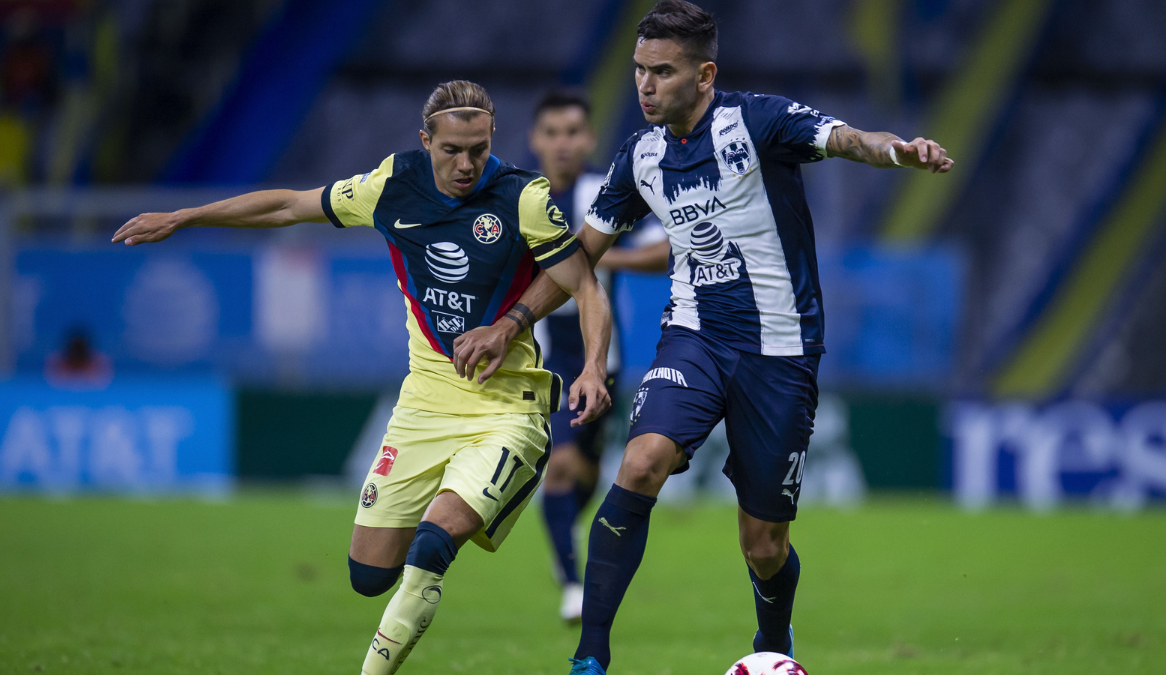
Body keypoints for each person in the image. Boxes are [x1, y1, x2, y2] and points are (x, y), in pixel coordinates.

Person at [452, 2, 955, 673]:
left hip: (780, 351)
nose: (645, 84)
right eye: (639, 69)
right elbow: (580, 258)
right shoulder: (641, 156)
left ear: (705, 74)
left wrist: (899, 151)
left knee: (763, 544)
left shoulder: (760, 122)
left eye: (662, 71)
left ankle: (773, 643)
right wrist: (510, 322)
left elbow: (850, 139)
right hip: (694, 336)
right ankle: (589, 656)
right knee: (640, 462)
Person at [111, 80, 614, 675]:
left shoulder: (523, 197)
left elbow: (586, 286)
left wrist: (589, 365)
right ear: (425, 140)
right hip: (423, 404)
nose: (466, 164)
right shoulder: (390, 185)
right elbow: (288, 205)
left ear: (493, 138)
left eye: (478, 149)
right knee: (369, 574)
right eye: (451, 150)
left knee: (432, 546)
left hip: (505, 409)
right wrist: (187, 216)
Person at [526, 89, 670, 624]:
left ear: (588, 138)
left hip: (598, 354)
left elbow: (667, 247)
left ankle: (563, 538)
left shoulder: (606, 192)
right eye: (552, 133)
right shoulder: (523, 198)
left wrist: (598, 259)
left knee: (584, 474)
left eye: (572, 132)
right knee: (561, 468)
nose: (562, 143)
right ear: (536, 140)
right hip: (539, 357)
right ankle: (572, 583)